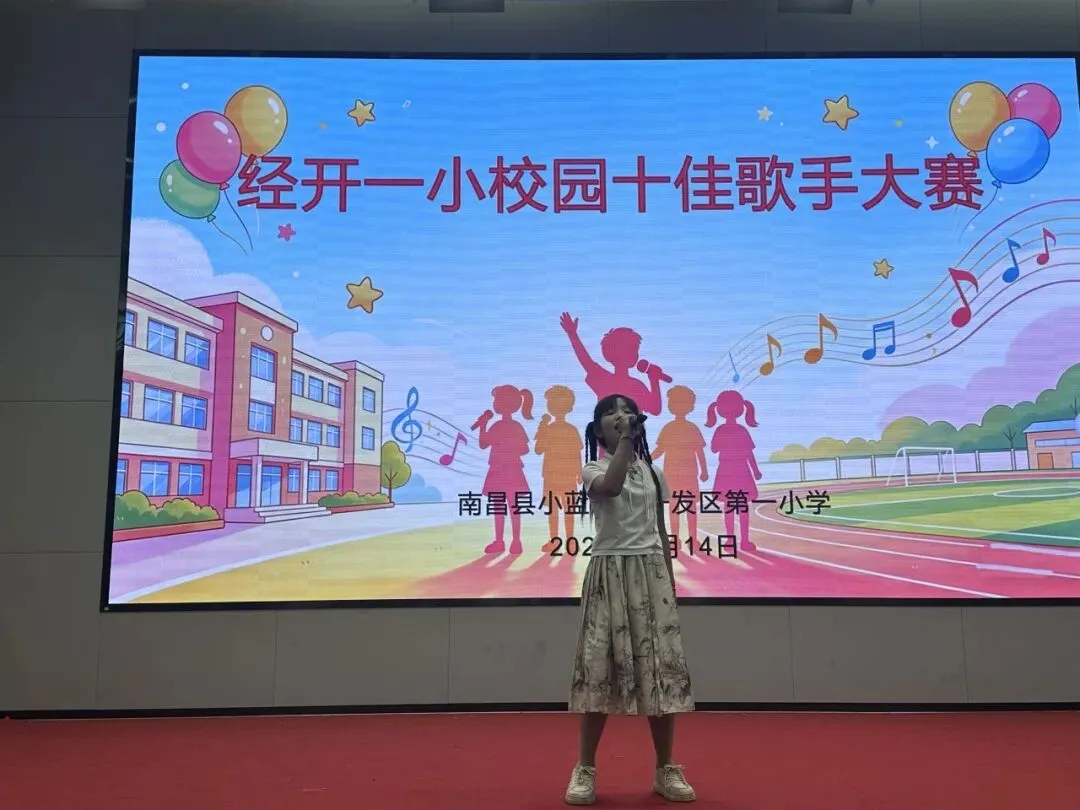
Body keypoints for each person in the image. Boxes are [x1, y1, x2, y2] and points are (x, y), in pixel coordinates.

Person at [564, 394, 696, 805]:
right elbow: (612, 487)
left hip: (650, 573)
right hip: (609, 572)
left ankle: (665, 768)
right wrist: (625, 441)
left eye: (626, 410)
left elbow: (660, 530)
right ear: (597, 429)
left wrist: (668, 584)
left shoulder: (654, 473)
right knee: (597, 670)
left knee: (660, 672)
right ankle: (585, 768)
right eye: (610, 412)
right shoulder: (593, 468)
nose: (620, 416)